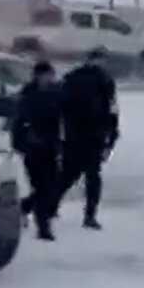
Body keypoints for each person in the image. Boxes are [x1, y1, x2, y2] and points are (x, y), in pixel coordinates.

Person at [57, 48, 119, 229]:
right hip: (92, 134)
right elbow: (111, 109)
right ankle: (89, 214)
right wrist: (111, 134)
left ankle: (45, 206)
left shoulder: (72, 78)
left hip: (77, 134)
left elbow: (61, 107)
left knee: (70, 176)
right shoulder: (104, 80)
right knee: (86, 177)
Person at [11, 61, 63, 240]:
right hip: (34, 147)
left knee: (49, 187)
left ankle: (23, 208)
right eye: (45, 75)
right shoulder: (28, 95)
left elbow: (62, 120)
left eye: (50, 75)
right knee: (42, 187)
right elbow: (19, 122)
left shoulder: (57, 94)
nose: (48, 78)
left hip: (50, 147)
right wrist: (22, 143)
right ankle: (43, 227)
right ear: (37, 76)